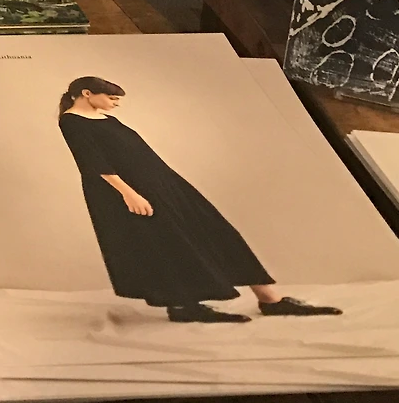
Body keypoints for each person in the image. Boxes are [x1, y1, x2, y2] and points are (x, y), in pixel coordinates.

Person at [58, 76, 343, 324]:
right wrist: (129, 193)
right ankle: (184, 306)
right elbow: (92, 162)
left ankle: (270, 299)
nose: (116, 103)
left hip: (164, 184)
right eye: (111, 98)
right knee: (168, 244)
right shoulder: (71, 121)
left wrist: (166, 184)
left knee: (216, 232)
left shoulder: (107, 119)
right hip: (127, 191)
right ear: (87, 93)